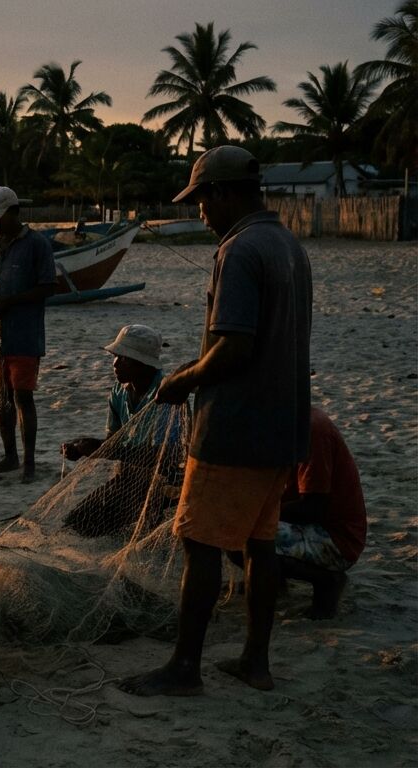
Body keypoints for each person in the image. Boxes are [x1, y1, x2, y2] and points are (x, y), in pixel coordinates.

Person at [121, 145, 312, 697]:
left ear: (223, 194)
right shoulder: (288, 246)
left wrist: (180, 381)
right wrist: (196, 366)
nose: (198, 212)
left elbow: (234, 347)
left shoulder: (240, 249)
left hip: (235, 427)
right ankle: (255, 661)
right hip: (281, 426)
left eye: (201, 200)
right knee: (259, 544)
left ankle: (185, 668)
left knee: (200, 543)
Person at [229, 407, 365, 619]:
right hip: (315, 525)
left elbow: (313, 508)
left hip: (337, 539)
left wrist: (257, 513)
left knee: (242, 537)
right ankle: (273, 578)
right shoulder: (288, 421)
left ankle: (327, 580)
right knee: (232, 526)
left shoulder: (311, 431)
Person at [59, 324, 185, 537]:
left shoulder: (166, 395)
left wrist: (99, 450)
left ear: (144, 364)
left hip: (164, 482)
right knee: (75, 525)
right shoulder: (119, 390)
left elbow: (163, 455)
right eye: (115, 356)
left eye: (124, 358)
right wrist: (83, 445)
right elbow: (114, 440)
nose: (115, 364)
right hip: (129, 479)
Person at [0, 186, 58, 482]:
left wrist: (10, 301)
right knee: (1, 398)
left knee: (23, 397)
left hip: (25, 334)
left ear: (14, 212)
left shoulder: (37, 244)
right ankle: (10, 456)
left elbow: (47, 287)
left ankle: (30, 462)